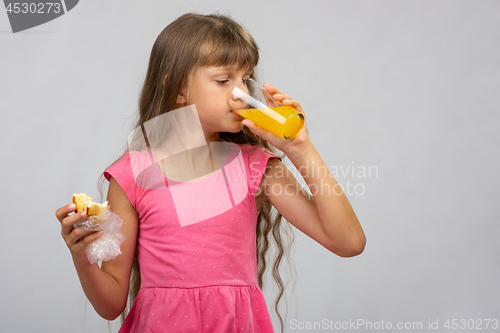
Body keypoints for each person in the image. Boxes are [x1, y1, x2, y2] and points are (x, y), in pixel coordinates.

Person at [55, 13, 365, 333]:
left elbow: (348, 242)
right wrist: (82, 256)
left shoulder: (255, 166)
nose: (241, 94)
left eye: (245, 79)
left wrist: (301, 149)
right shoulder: (131, 176)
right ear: (178, 89)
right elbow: (111, 305)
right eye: (223, 81)